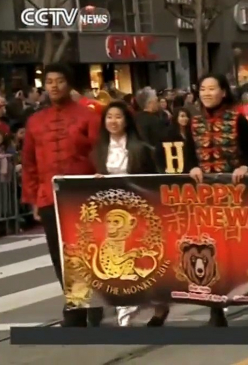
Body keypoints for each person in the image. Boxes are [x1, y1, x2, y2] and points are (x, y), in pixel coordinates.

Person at [21, 63, 103, 327]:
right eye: (49, 82)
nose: (54, 86)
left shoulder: (88, 116)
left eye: (59, 81)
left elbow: (100, 153)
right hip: (49, 196)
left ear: (69, 84)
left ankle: (92, 300)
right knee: (60, 254)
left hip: (83, 194)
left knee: (87, 251)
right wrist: (33, 197)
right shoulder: (35, 121)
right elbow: (29, 162)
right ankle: (76, 305)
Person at [185, 74, 248, 327]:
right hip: (205, 199)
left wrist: (244, 166)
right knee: (209, 252)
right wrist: (192, 168)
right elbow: (189, 155)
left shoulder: (237, 120)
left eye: (212, 88)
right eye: (203, 89)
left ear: (223, 92)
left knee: (241, 253)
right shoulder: (193, 123)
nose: (207, 93)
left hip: (235, 197)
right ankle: (216, 311)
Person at [90, 100, 170, 326]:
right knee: (118, 264)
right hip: (113, 215)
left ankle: (160, 307)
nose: (113, 121)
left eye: (118, 117)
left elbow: (152, 180)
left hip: (139, 213)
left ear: (127, 120)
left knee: (146, 263)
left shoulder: (141, 149)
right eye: (109, 117)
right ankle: (126, 308)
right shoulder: (99, 150)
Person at [158, 107, 196, 173]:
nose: (185, 118)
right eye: (182, 116)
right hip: (174, 169)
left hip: (189, 170)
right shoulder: (169, 134)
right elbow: (160, 153)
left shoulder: (190, 133)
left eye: (187, 116)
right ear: (176, 118)